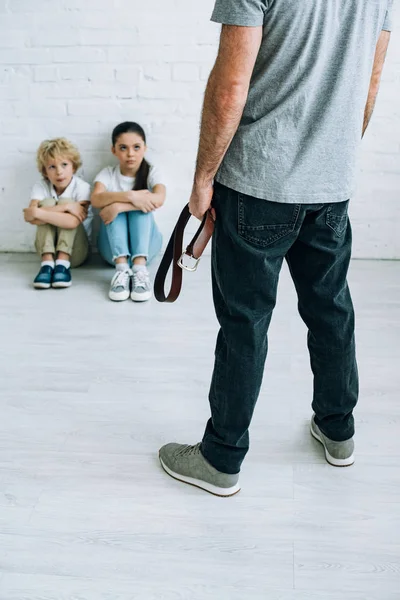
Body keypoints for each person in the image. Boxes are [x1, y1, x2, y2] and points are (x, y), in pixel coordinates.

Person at [159, 0, 393, 496]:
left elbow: (229, 90)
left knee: (245, 321)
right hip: (331, 186)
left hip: (256, 184)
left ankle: (221, 457)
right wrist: (333, 161)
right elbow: (370, 84)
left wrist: (202, 180)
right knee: (330, 308)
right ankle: (338, 429)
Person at [91, 122, 166, 302]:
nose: (130, 154)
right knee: (115, 210)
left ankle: (140, 271)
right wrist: (131, 196)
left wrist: (118, 205)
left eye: (136, 147)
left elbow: (159, 198)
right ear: (113, 150)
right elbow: (95, 199)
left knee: (134, 209)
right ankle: (122, 271)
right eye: (123, 148)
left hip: (148, 249)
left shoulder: (152, 172)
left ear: (145, 148)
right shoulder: (108, 174)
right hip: (113, 252)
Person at [24, 138, 92, 289]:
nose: (59, 172)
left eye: (64, 165)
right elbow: (29, 215)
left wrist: (38, 212)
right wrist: (67, 207)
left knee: (56, 205)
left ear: (73, 167)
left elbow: (72, 222)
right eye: (52, 167)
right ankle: (47, 264)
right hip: (46, 250)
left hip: (76, 253)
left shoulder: (82, 187)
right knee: (50, 203)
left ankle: (62, 264)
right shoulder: (41, 186)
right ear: (45, 172)